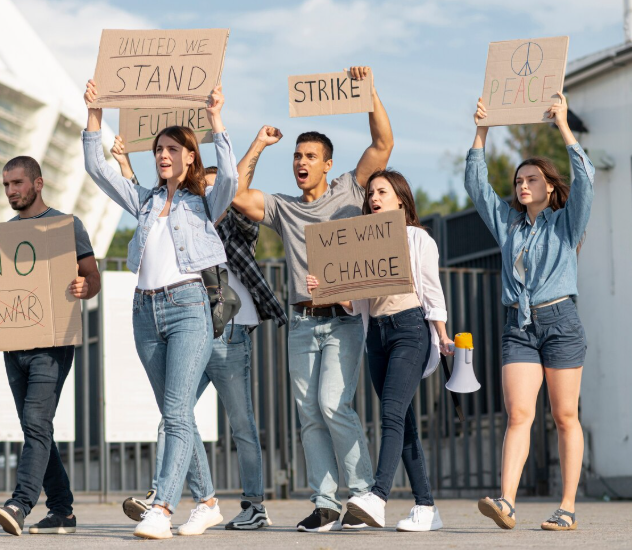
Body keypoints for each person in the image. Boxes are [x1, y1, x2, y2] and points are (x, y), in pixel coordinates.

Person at [231, 66, 394, 533]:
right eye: (297, 156)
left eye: (310, 156)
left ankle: (362, 495)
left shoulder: (349, 189)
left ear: (327, 163)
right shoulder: (283, 207)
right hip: (301, 322)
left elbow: (382, 145)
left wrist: (368, 91)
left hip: (342, 321)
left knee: (332, 405)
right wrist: (260, 144)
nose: (301, 162)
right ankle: (325, 503)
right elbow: (237, 194)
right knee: (308, 414)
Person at [83, 80, 239, 539]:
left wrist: (215, 120)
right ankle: (208, 501)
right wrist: (95, 112)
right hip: (145, 312)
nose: (163, 155)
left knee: (174, 411)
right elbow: (97, 168)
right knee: (178, 415)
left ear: (190, 156)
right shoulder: (147, 202)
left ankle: (163, 508)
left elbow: (229, 177)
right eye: (158, 150)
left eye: (172, 148)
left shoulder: (204, 203)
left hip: (189, 307)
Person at [111, 140, 288, 530]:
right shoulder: (179, 216)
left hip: (229, 334)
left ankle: (254, 503)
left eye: (212, 189)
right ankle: (175, 495)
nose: (205, 193)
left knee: (240, 421)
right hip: (187, 326)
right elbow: (147, 204)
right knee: (173, 414)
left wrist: (256, 145)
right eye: (200, 188)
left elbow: (234, 180)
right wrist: (124, 161)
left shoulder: (233, 223)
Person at [0, 156, 101, 536]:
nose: (11, 191)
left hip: (51, 343)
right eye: (6, 185)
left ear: (38, 183)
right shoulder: (0, 236)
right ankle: (62, 511)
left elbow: (92, 276)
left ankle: (20, 503)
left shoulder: (66, 227)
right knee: (36, 428)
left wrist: (84, 288)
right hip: (13, 346)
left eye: (17, 183)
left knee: (35, 424)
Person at [466, 93, 593, 531]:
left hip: (560, 323)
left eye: (532, 179)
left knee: (564, 416)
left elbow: (587, 179)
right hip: (519, 326)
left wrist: (561, 124)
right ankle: (507, 502)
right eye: (519, 180)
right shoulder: (507, 223)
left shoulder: (567, 222)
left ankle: (568, 506)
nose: (522, 185)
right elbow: (477, 187)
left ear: (549, 187)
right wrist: (482, 129)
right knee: (519, 414)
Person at [307, 169, 452, 531]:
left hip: (409, 328)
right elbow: (355, 305)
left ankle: (378, 496)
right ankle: (426, 508)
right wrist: (324, 290)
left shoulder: (417, 238)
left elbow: (432, 291)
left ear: (400, 198)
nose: (373, 197)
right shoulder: (362, 243)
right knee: (402, 421)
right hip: (377, 335)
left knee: (390, 412)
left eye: (382, 192)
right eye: (370, 192)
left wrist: (443, 334)